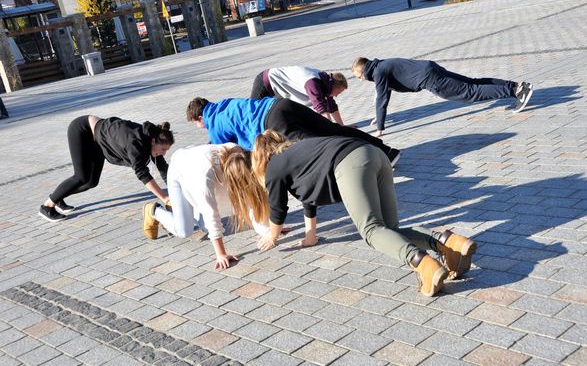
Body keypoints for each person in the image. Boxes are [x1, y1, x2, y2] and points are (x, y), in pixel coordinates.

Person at [223, 130, 477, 297]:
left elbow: (278, 210)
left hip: (351, 162)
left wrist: (272, 236)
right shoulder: (298, 154)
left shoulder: (275, 167)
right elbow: (308, 200)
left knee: (371, 231)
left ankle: (424, 264)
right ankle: (449, 243)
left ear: (259, 159)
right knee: (390, 230)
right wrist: (311, 236)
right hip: (374, 154)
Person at [141, 143, 272, 269]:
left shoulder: (240, 156)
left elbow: (250, 198)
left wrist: (267, 230)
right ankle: (154, 210)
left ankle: (186, 208)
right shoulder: (204, 177)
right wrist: (221, 254)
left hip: (197, 161)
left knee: (204, 226)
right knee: (184, 231)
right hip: (179, 170)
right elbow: (211, 215)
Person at [185, 96, 400, 165]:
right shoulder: (225, 104)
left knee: (321, 144)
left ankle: (363, 161)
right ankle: (386, 151)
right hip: (281, 104)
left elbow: (218, 151)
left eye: (197, 123)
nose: (200, 127)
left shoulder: (214, 122)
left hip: (273, 121)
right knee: (332, 129)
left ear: (200, 117)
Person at [351, 57, 533, 137]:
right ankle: (516, 86)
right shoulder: (380, 66)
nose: (360, 80)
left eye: (359, 76)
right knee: (472, 82)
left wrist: (380, 129)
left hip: (430, 79)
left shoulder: (378, 73)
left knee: (470, 92)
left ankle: (516, 92)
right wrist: (378, 115)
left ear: (363, 70)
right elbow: (383, 94)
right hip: (430, 68)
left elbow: (382, 97)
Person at [39, 116, 174, 222]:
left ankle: (58, 196)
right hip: (83, 130)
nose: (163, 153)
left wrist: (175, 191)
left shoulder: (153, 138)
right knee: (81, 177)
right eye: (163, 149)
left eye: (166, 150)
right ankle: (47, 206)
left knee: (92, 182)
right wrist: (164, 197)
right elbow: (142, 174)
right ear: (154, 141)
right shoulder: (136, 143)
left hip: (99, 142)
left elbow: (163, 168)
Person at [250, 66, 349, 125]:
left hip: (280, 89)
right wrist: (335, 131)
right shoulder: (313, 83)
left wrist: (342, 127)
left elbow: (331, 106)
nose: (336, 96)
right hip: (266, 82)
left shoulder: (326, 83)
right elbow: (321, 109)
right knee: (253, 114)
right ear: (334, 86)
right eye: (338, 92)